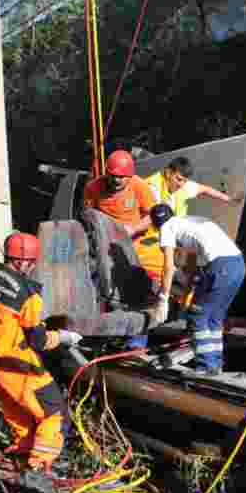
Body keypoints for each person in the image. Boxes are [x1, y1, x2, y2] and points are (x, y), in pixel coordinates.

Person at [0, 233, 82, 493]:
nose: (32, 267)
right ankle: (36, 470)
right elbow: (38, 340)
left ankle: (21, 461)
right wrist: (64, 337)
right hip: (16, 364)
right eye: (31, 262)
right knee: (53, 411)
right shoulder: (28, 294)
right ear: (23, 262)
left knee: (22, 417)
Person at [151, 204, 246, 375]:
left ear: (155, 225)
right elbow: (193, 267)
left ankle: (206, 366)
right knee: (214, 317)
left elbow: (169, 267)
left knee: (197, 316)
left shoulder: (166, 228)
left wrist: (163, 299)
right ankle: (216, 364)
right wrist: (187, 293)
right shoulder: (188, 222)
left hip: (220, 266)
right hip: (237, 264)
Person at [83, 149, 161, 348]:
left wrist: (132, 229)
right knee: (105, 289)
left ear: (130, 175)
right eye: (113, 176)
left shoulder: (139, 186)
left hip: (136, 244)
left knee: (138, 291)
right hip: (106, 246)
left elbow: (152, 215)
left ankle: (136, 341)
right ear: (106, 173)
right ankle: (108, 335)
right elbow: (88, 216)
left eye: (122, 177)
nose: (117, 181)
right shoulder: (93, 187)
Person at [145, 156, 234, 216]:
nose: (181, 185)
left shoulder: (184, 186)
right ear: (168, 173)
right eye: (179, 179)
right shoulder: (153, 187)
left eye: (185, 181)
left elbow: (206, 190)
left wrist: (228, 199)